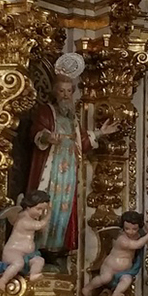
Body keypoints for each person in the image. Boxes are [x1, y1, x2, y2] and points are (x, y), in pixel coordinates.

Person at [26, 53, 117, 258]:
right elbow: (35, 133)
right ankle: (39, 245)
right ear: (55, 93)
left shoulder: (72, 117)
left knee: (63, 207)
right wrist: (47, 137)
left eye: (69, 91)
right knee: (46, 203)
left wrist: (101, 133)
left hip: (68, 172)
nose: (66, 95)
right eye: (62, 91)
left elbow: (82, 141)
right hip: (50, 167)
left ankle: (57, 248)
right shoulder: (46, 111)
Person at [0, 192, 52, 289]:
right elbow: (40, 225)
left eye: (43, 210)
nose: (40, 213)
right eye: (38, 209)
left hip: (27, 255)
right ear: (29, 206)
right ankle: (2, 281)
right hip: (13, 252)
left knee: (39, 260)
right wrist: (49, 213)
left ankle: (33, 275)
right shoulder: (23, 220)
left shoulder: (29, 218)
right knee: (18, 263)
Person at [84, 211, 148, 296]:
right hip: (110, 267)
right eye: (127, 229)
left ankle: (117, 292)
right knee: (105, 278)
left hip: (125, 271)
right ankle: (88, 287)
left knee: (127, 279)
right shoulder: (122, 239)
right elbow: (137, 245)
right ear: (123, 227)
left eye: (134, 229)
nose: (131, 232)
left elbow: (142, 235)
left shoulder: (137, 236)